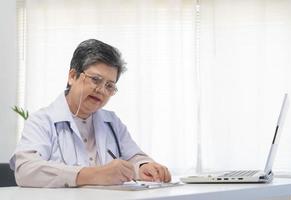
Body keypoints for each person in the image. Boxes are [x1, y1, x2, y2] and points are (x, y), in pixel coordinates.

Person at [9, 39, 171, 188]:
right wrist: (93, 175)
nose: (101, 90)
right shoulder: (42, 120)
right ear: (73, 76)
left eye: (109, 85)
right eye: (95, 79)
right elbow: (25, 170)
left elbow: (134, 157)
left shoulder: (112, 122)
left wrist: (143, 167)